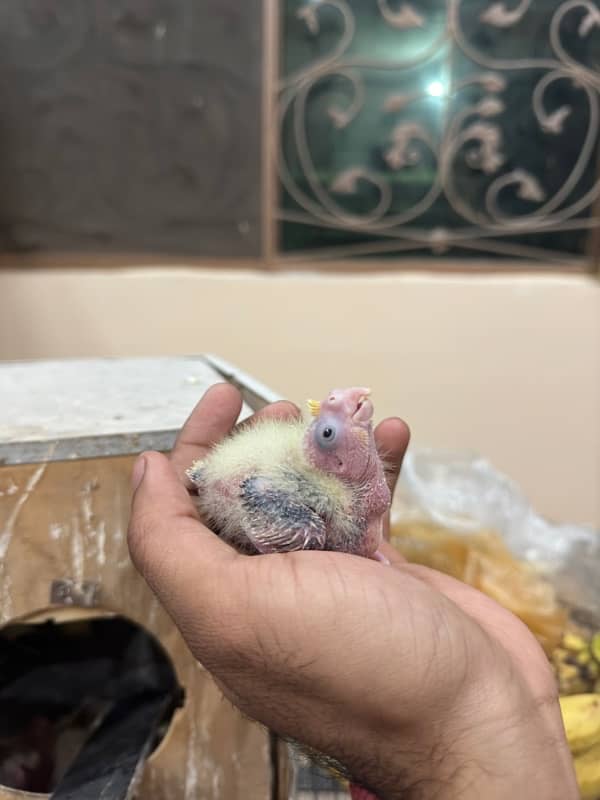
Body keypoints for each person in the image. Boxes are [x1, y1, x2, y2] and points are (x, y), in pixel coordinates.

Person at [127, 384, 578, 799]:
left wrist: (454, 717)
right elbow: (261, 501)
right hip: (250, 490)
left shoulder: (346, 491)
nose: (349, 406)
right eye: (327, 429)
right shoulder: (304, 505)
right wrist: (465, 725)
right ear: (336, 461)